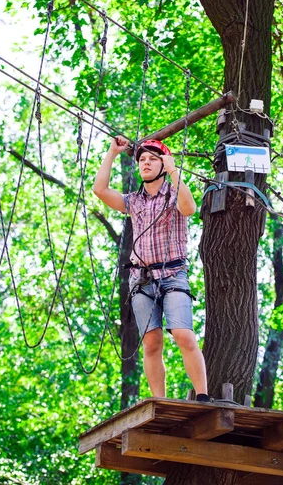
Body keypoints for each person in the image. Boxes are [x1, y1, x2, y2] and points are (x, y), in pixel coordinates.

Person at [93, 136, 209, 401]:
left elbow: (189, 208)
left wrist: (173, 169)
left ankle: (202, 395)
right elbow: (100, 190)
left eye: (152, 159)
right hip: (142, 279)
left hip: (172, 275)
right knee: (152, 342)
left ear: (163, 163)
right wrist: (112, 153)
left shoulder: (174, 192)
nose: (145, 164)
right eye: (142, 160)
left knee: (183, 334)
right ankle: (160, 400)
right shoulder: (134, 201)